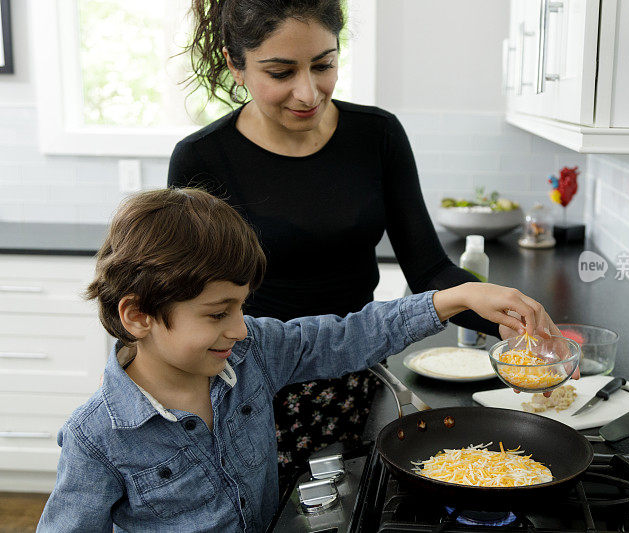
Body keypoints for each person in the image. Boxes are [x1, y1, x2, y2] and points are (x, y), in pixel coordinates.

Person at [36, 188, 561, 531]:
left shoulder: (250, 354)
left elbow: (348, 335)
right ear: (139, 316)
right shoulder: (96, 438)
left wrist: (455, 297)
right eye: (218, 313)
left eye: (242, 307)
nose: (239, 329)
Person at [168, 0, 532, 477]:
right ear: (235, 64)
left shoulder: (376, 135)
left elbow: (428, 269)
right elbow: (186, 306)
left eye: (324, 65)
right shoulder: (202, 159)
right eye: (281, 72)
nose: (307, 92)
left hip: (357, 372)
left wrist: (510, 319)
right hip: (251, 386)